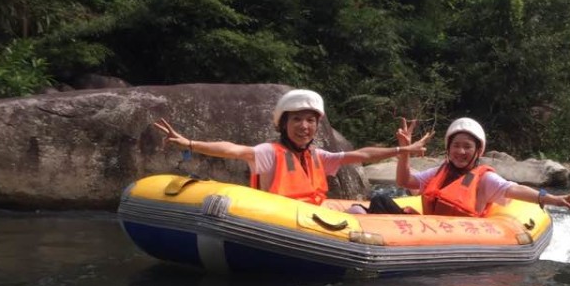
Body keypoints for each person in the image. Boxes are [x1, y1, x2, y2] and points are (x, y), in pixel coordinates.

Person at [153, 89, 432, 208]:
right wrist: (190, 143)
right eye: (296, 119)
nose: (304, 126)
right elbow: (232, 150)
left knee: (376, 205)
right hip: (279, 221)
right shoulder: (268, 152)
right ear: (283, 124)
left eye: (310, 120)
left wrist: (400, 151)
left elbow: (360, 155)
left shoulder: (318, 156)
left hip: (313, 221)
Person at [394, 116, 570, 217]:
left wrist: (553, 199)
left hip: (461, 238)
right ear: (448, 149)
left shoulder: (484, 179)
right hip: (429, 230)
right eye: (456, 145)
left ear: (478, 151)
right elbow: (404, 181)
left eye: (467, 146)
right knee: (379, 201)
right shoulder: (439, 172)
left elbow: (515, 190)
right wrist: (404, 150)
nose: (461, 151)